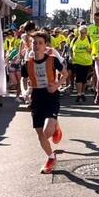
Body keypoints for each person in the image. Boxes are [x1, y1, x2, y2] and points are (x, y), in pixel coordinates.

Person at [21, 32, 67, 174]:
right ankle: (51, 157)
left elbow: (65, 73)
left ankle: (54, 126)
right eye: (34, 43)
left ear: (45, 45)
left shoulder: (52, 60)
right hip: (37, 97)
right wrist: (24, 92)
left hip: (51, 95)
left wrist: (57, 84)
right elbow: (23, 80)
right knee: (40, 135)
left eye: (40, 43)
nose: (37, 45)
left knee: (46, 133)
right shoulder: (27, 63)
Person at [70, 25, 93, 103]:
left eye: (84, 33)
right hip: (77, 61)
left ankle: (82, 93)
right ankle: (78, 94)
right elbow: (70, 49)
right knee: (78, 78)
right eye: (81, 32)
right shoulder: (75, 39)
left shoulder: (89, 39)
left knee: (84, 79)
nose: (82, 34)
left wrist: (89, 50)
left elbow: (93, 51)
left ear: (86, 33)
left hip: (87, 62)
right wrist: (71, 57)